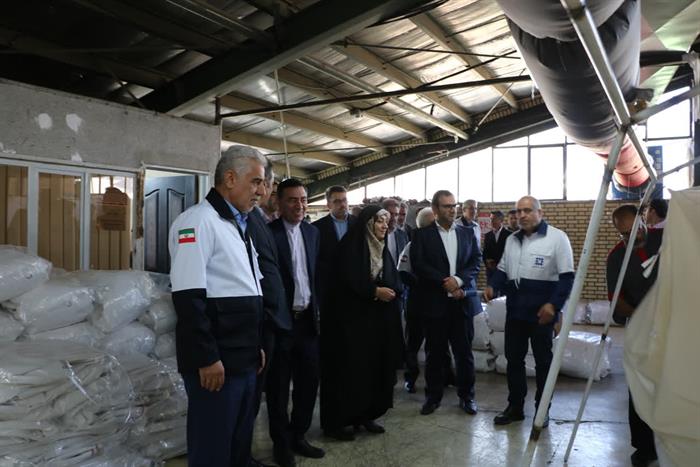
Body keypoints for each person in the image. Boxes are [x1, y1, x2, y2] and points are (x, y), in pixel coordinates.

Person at [169, 146, 266, 467]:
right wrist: (206, 357)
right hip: (217, 361)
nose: (261, 191)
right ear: (230, 178)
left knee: (238, 442)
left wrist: (255, 346)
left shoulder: (239, 224)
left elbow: (245, 287)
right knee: (212, 445)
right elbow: (188, 298)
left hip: (242, 355)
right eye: (255, 182)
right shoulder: (198, 222)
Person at [485, 196, 574, 428]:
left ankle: (542, 410)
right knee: (514, 360)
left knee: (543, 362)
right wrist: (493, 285)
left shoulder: (557, 238)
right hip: (515, 312)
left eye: (527, 210)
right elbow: (503, 270)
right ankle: (515, 407)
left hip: (541, 314)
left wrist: (554, 306)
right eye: (518, 211)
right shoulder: (512, 240)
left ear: (539, 213)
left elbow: (567, 278)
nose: (522, 215)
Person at [320, 205, 403, 441]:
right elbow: (343, 283)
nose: (385, 226)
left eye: (386, 222)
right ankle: (339, 422)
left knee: (372, 370)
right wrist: (374, 291)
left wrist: (390, 290)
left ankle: (366, 414)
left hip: (376, 324)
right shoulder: (349, 248)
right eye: (379, 221)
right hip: (350, 324)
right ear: (368, 224)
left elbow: (392, 278)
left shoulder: (382, 248)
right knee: (350, 372)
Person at [267, 179, 323, 467]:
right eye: (292, 200)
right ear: (278, 202)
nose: (299, 205)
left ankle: (298, 435)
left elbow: (316, 276)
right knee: (278, 389)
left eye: (303, 200)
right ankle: (281, 444)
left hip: (308, 324)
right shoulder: (268, 234)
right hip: (281, 325)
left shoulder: (312, 233)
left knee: (308, 384)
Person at [411, 190, 481, 416]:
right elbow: (419, 264)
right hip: (435, 304)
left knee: (464, 353)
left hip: (461, 303)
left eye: (454, 205)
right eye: (447, 206)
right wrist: (445, 282)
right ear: (435, 209)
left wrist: (458, 281)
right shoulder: (422, 235)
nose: (452, 210)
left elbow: (475, 261)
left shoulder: (467, 233)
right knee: (434, 353)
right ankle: (433, 397)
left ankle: (467, 396)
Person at [607, 205, 662, 467]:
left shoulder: (665, 240)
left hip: (673, 324)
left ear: (643, 219)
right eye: (625, 234)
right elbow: (616, 300)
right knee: (640, 387)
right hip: (641, 327)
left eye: (635, 229)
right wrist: (643, 317)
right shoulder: (617, 257)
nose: (632, 237)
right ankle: (644, 447)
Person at [247, 160, 291, 467]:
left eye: (266, 185)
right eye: (260, 184)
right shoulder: (250, 220)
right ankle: (240, 455)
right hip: (262, 322)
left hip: (277, 322)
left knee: (277, 391)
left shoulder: (260, 219)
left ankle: (281, 446)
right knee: (252, 396)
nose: (264, 191)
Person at [399, 207, 456, 394]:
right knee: (413, 343)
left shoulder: (442, 245)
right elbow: (403, 272)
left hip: (437, 301)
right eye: (434, 222)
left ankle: (447, 375)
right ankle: (410, 378)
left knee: (439, 341)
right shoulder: (411, 246)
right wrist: (423, 283)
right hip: (417, 302)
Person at [312, 186, 356, 307]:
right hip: (328, 290)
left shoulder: (358, 224)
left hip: (355, 288)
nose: (342, 204)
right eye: (337, 201)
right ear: (328, 205)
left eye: (344, 200)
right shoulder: (316, 228)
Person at [483, 210, 512, 282]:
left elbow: (510, 253)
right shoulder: (488, 235)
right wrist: (487, 262)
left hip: (505, 270)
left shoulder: (509, 235)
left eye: (494, 219)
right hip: (491, 271)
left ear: (501, 220)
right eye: (491, 219)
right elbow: (485, 252)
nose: (491, 221)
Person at [382, 198, 409, 265]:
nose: (394, 218)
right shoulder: (376, 235)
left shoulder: (402, 235)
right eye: (390, 214)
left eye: (396, 214)